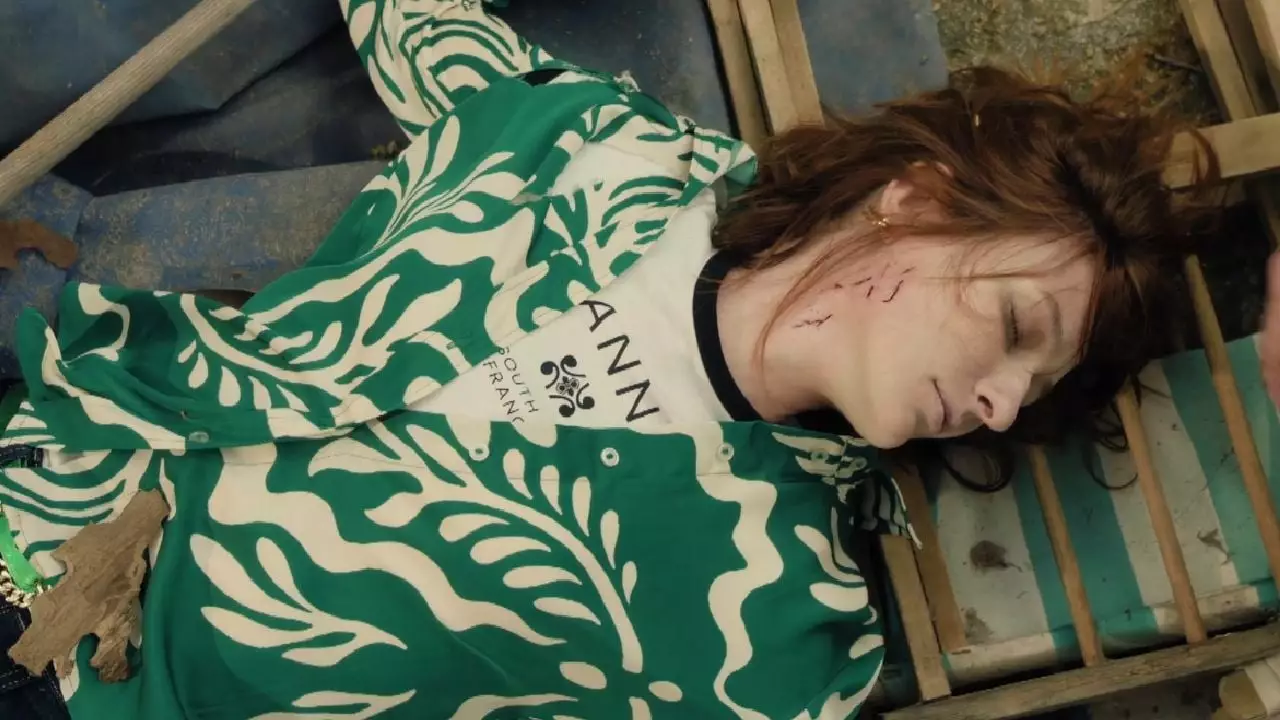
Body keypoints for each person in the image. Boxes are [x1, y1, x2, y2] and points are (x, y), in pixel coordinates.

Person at [0, 1, 1216, 718]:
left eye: (1029, 394)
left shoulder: (775, 632)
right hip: (47, 464)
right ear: (918, 203)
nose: (998, 402)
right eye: (1014, 327)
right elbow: (420, 23)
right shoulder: (600, 150)